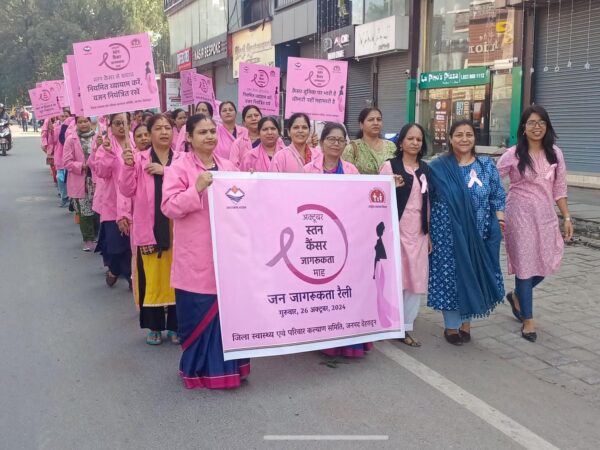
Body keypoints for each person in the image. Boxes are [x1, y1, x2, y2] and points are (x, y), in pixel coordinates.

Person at [162, 114, 250, 389]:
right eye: (202, 132)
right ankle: (198, 370)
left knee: (229, 316)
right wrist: (196, 189)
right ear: (189, 137)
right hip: (195, 258)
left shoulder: (228, 167)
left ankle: (229, 370)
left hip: (227, 255)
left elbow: (243, 203)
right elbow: (169, 207)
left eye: (212, 131)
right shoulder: (178, 168)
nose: (210, 136)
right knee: (199, 313)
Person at [497, 105, 572, 342]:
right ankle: (528, 320)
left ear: (547, 126)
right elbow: (493, 179)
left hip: (545, 216)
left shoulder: (555, 153)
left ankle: (518, 295)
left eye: (541, 122)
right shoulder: (513, 154)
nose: (536, 127)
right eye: (531, 122)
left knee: (549, 258)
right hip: (519, 216)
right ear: (523, 127)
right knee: (525, 265)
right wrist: (495, 209)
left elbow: (559, 189)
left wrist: (566, 217)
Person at [427, 120, 506, 345]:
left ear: (474, 138)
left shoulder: (485, 165)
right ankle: (451, 326)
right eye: (459, 135)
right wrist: (427, 232)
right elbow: (427, 200)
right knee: (450, 278)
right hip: (446, 234)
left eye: (469, 134)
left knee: (473, 276)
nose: (464, 139)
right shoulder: (437, 167)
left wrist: (500, 220)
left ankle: (466, 323)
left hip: (480, 233)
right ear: (450, 139)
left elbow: (497, 195)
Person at [120, 114, 179, 345]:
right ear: (150, 133)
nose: (164, 132)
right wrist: (127, 167)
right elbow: (126, 190)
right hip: (149, 228)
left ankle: (175, 325)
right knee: (152, 277)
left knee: (177, 277)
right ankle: (154, 326)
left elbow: (190, 182)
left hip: (178, 228)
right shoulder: (138, 159)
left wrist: (166, 171)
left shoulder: (182, 158)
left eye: (167, 128)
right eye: (158, 128)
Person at [380, 123, 431, 347]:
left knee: (415, 280)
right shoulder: (390, 166)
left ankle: (405, 326)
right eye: (410, 138)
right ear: (401, 142)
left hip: (418, 232)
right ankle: (389, 320)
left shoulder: (425, 169)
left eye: (418, 139)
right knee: (395, 278)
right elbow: (377, 197)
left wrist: (428, 234)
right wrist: (390, 186)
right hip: (395, 231)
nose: (414, 143)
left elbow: (428, 203)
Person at [93, 113, 133, 288]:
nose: (121, 127)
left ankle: (132, 277)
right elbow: (101, 172)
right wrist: (108, 153)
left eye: (124, 123)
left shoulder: (136, 141)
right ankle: (114, 270)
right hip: (112, 203)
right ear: (110, 125)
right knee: (115, 246)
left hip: (133, 203)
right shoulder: (106, 145)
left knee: (131, 246)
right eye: (117, 123)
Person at [62, 116, 98, 251]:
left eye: (85, 121)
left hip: (98, 180)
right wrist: (81, 166)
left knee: (98, 210)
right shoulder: (71, 140)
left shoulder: (98, 138)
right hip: (81, 180)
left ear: (90, 122)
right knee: (85, 211)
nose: (83, 124)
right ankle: (88, 239)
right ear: (76, 124)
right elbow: (67, 162)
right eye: (80, 122)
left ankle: (97, 235)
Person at [342, 107, 396, 174]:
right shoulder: (352, 148)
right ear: (361, 125)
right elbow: (346, 175)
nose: (376, 123)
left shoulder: (391, 146)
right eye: (371, 120)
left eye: (379, 119)